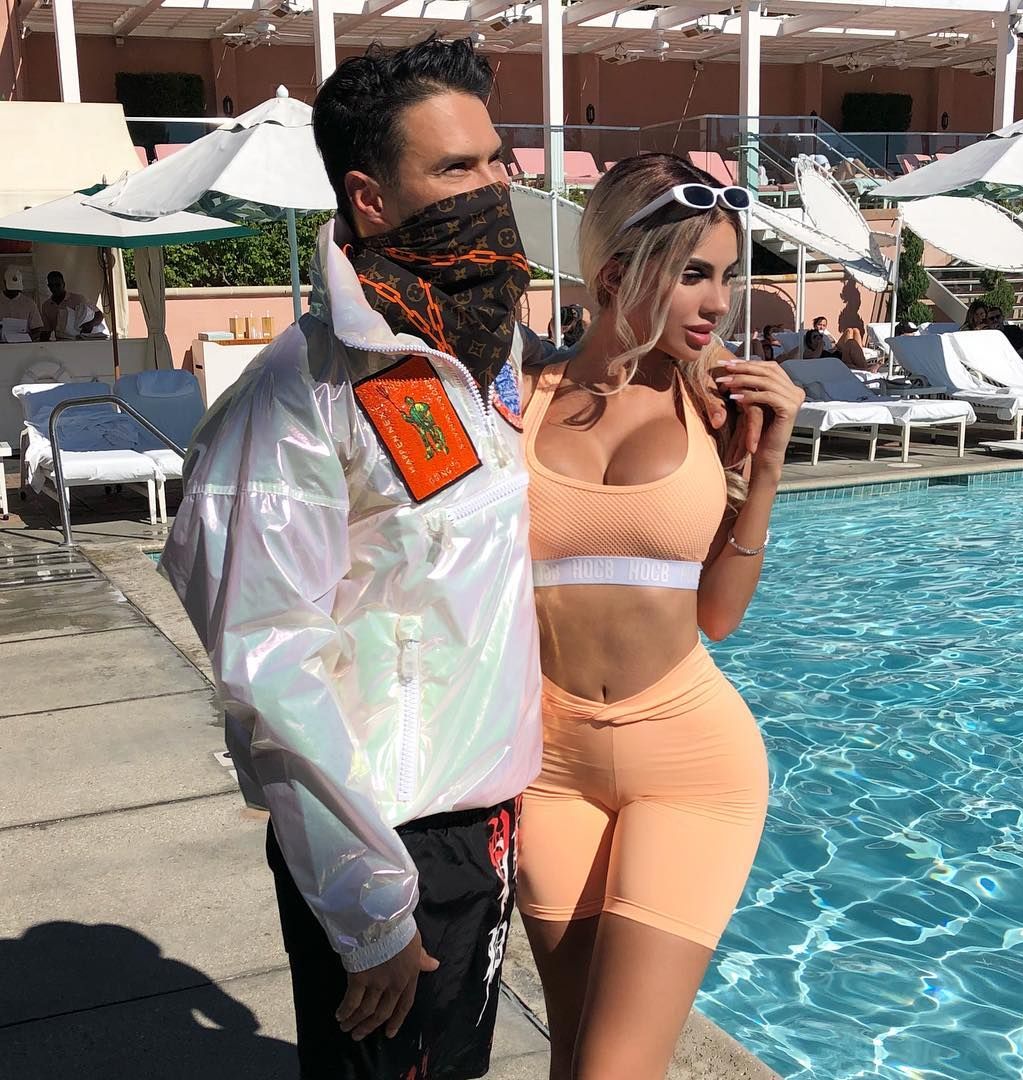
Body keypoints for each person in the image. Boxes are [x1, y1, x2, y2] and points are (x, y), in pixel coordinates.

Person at [159, 36, 547, 1080]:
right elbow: (268, 656)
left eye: (496, 160)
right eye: (455, 168)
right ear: (370, 201)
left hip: (481, 818)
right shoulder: (303, 391)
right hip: (388, 837)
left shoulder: (480, 350)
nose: (491, 189)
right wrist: (368, 906)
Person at [516, 152, 804, 1080]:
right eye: (693, 275)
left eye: (727, 275)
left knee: (614, 1070)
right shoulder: (517, 400)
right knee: (574, 1058)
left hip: (690, 765)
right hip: (546, 766)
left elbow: (718, 617)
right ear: (613, 278)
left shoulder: (715, 408)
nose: (720, 302)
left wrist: (765, 468)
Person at [40, 271, 105, 340]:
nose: (54, 288)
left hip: (80, 340)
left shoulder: (78, 299)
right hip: (61, 342)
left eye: (57, 285)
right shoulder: (46, 306)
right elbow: (47, 330)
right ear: (48, 286)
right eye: (51, 286)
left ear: (63, 284)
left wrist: (90, 325)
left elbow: (99, 315)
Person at [783, 327, 879, 371]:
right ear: (809, 342)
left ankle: (866, 368)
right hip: (837, 365)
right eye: (815, 337)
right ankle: (866, 369)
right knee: (850, 343)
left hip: (840, 359)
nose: (818, 338)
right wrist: (820, 345)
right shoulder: (808, 352)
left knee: (851, 342)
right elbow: (814, 358)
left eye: (819, 336)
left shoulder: (824, 350)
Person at [0, 267, 45, 342]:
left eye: (16, 289)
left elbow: (37, 328)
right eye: (11, 289)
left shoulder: (29, 303)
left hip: (24, 345)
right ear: (4, 283)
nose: (14, 291)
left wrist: (27, 339)